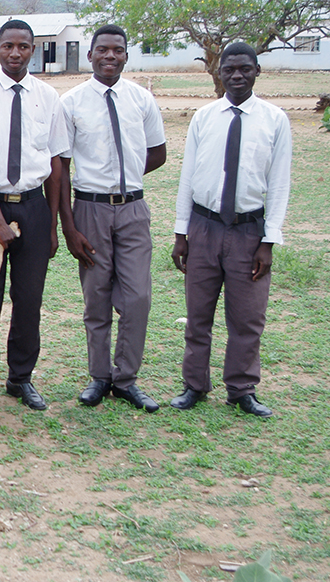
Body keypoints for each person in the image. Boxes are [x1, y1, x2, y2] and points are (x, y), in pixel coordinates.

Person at [169, 42, 289, 418]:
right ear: (219, 73)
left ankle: (241, 388)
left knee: (247, 317)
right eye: (229, 69)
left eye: (244, 69)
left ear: (257, 71)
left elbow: (280, 183)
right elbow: (188, 177)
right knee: (198, 313)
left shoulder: (275, 119)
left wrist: (268, 240)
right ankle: (195, 385)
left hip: (247, 231)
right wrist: (180, 233)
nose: (237, 75)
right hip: (203, 227)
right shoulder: (204, 117)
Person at [0, 19, 68, 418]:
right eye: (8, 46)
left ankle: (20, 377)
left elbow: (56, 163)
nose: (16, 53)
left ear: (33, 50)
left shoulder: (48, 97)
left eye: (23, 46)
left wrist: (51, 224)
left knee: (29, 300)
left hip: (34, 207)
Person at [58, 25, 167, 413]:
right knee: (96, 297)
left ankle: (127, 378)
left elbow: (157, 153)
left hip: (134, 210)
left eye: (117, 50)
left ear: (126, 55)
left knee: (138, 297)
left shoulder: (141, 99)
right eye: (102, 50)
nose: (110, 56)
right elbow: (62, 169)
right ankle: (100, 377)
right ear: (90, 56)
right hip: (90, 209)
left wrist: (126, 182)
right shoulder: (71, 102)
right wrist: (69, 227)